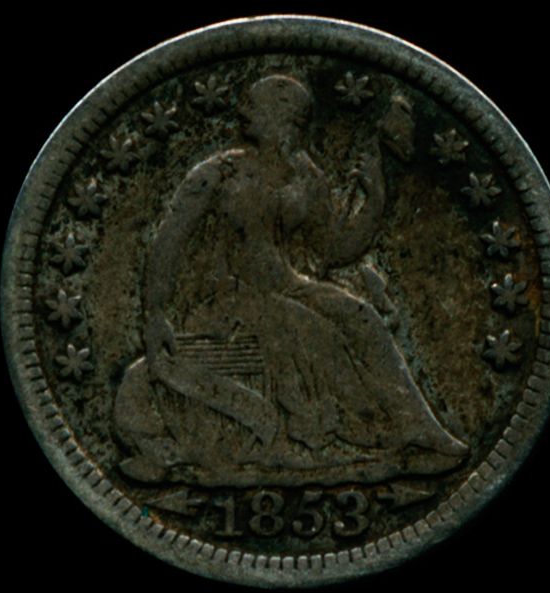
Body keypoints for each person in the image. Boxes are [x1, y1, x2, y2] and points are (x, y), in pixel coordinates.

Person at [114, 75, 468, 485]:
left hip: (289, 286)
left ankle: (421, 431)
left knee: (361, 315)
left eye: (255, 105)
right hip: (227, 298)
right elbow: (168, 242)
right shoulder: (219, 173)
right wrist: (155, 314)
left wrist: (374, 199)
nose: (244, 112)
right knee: (308, 326)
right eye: (249, 105)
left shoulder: (307, 176)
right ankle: (368, 433)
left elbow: (333, 251)